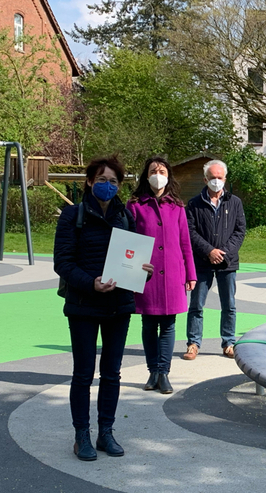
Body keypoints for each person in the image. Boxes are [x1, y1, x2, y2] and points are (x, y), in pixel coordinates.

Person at [54, 156, 153, 461]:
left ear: (120, 185)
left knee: (111, 373)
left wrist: (142, 270)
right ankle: (81, 435)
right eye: (101, 180)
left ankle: (105, 433)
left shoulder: (126, 216)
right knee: (83, 374)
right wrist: (91, 283)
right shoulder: (73, 215)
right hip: (84, 305)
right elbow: (63, 263)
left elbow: (133, 258)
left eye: (113, 181)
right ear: (89, 182)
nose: (107, 186)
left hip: (119, 306)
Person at [127, 157, 197, 394]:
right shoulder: (135, 205)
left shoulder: (177, 206)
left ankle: (164, 372)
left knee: (168, 324)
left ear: (169, 176)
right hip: (145, 273)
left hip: (173, 273)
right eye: (153, 171)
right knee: (148, 324)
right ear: (146, 176)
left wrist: (191, 273)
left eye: (162, 170)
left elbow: (185, 242)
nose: (158, 174)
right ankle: (152, 371)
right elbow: (128, 241)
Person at [184, 160, 246, 360]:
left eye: (220, 177)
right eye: (212, 178)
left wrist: (224, 253)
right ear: (205, 179)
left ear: (225, 179)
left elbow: (240, 230)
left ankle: (229, 342)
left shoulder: (234, 202)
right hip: (201, 262)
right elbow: (190, 232)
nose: (216, 181)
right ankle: (193, 343)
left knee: (229, 305)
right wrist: (209, 251)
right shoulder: (194, 204)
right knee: (196, 305)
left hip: (228, 264)